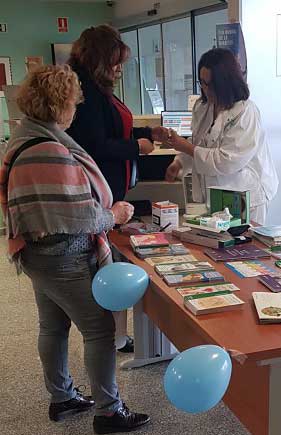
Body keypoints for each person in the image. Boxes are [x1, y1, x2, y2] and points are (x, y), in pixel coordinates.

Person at [0, 65, 150, 433]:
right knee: (99, 330)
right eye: (72, 102)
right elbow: (82, 218)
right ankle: (109, 412)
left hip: (35, 252)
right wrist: (114, 213)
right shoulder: (50, 150)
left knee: (52, 325)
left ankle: (62, 397)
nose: (75, 109)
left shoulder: (21, 137)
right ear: (59, 104)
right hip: (63, 254)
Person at [67, 24, 169, 352]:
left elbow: (116, 127)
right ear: (99, 60)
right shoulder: (88, 92)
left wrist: (147, 134)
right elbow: (96, 145)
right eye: (115, 62)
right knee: (104, 262)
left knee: (113, 258)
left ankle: (117, 334)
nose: (120, 69)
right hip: (99, 192)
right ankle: (109, 335)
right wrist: (136, 147)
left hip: (113, 188)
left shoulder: (101, 88)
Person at [165, 48, 278, 225]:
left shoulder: (246, 112)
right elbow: (199, 142)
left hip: (245, 196)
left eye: (210, 84)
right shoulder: (204, 107)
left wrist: (184, 147)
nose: (205, 88)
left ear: (225, 83)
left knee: (245, 249)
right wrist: (179, 162)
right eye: (202, 82)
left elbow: (227, 160)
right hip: (216, 195)